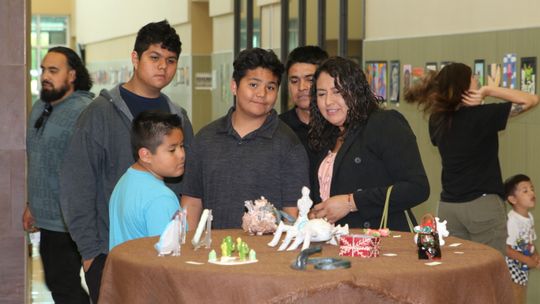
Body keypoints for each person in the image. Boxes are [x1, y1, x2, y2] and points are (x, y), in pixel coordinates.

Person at [60, 20, 193, 303]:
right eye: (154, 57)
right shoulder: (99, 115)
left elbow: (188, 184)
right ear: (135, 58)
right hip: (110, 255)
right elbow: (76, 186)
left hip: (164, 260)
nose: (162, 67)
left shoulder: (177, 117)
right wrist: (91, 255)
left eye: (170, 61)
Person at [404, 62, 538, 255]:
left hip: (449, 208)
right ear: (465, 85)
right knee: (489, 271)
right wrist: (490, 90)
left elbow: (464, 126)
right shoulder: (482, 116)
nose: (477, 79)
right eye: (474, 77)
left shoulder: (437, 120)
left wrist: (479, 102)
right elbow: (531, 100)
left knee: (460, 272)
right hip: (483, 207)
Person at [181, 48, 309, 229]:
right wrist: (188, 246)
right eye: (253, 85)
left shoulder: (289, 145)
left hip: (266, 254)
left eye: (270, 87)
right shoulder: (205, 139)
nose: (262, 94)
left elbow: (294, 214)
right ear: (234, 86)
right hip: (212, 253)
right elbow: (192, 202)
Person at [307, 56, 429, 231]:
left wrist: (351, 202)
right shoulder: (325, 135)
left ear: (356, 91)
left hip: (381, 242)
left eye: (338, 91)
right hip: (337, 242)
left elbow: (417, 188)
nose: (328, 101)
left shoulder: (384, 123)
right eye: (321, 94)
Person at [23, 46, 92, 303]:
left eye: (53, 70)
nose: (44, 76)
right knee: (56, 282)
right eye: (43, 70)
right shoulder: (40, 107)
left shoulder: (85, 111)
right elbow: (38, 160)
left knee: (64, 285)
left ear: (72, 75)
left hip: (70, 220)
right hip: (47, 219)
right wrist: (32, 205)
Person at [109, 111, 185, 249]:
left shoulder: (124, 181)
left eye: (182, 146)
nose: (182, 155)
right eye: (172, 149)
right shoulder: (161, 197)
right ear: (146, 155)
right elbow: (169, 259)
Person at [279, 46, 328, 186]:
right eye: (294, 81)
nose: (301, 87)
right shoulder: (278, 129)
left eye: (310, 80)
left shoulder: (340, 128)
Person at [503, 174, 539, 304]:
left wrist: (535, 255)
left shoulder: (529, 217)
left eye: (532, 189)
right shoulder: (512, 220)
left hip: (522, 267)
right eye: (525, 191)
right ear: (512, 199)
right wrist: (527, 260)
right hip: (511, 270)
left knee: (520, 296)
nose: (531, 193)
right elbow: (506, 249)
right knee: (515, 297)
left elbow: (530, 241)